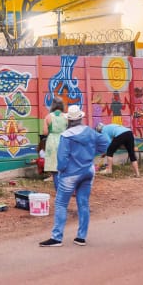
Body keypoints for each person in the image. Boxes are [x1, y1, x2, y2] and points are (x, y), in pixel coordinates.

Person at [39, 105, 108, 247]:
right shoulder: (90, 131)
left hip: (71, 173)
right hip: (88, 170)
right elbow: (105, 143)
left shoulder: (66, 136)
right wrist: (93, 152)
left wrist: (60, 170)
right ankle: (81, 237)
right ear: (81, 118)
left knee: (61, 203)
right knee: (83, 203)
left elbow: (62, 158)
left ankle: (57, 238)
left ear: (69, 120)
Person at [43, 96, 68, 189]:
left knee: (54, 168)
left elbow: (45, 132)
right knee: (65, 166)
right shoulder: (66, 117)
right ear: (62, 105)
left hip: (52, 141)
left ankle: (58, 189)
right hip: (64, 140)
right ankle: (67, 188)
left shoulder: (48, 117)